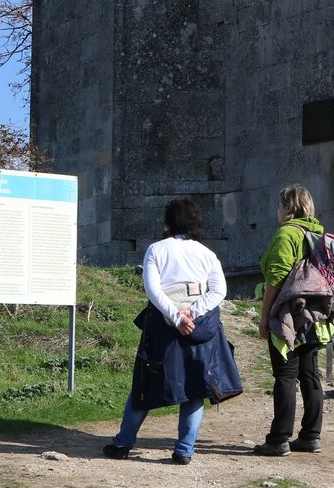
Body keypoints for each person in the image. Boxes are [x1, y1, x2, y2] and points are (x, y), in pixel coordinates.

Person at [103, 198, 241, 465]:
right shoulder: (207, 254)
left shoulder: (156, 250)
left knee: (145, 384)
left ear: (168, 221)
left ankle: (123, 443)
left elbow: (153, 290)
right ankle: (184, 450)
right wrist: (193, 312)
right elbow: (219, 291)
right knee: (195, 387)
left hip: (163, 329)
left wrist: (176, 315)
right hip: (198, 330)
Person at [254, 185, 331, 456]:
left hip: (289, 314)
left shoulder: (286, 234)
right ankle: (311, 435)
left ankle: (279, 439)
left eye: (280, 205)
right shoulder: (319, 233)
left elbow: (275, 277)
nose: (277, 211)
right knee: (310, 374)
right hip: (317, 314)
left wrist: (264, 316)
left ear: (288, 207)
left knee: (285, 375)